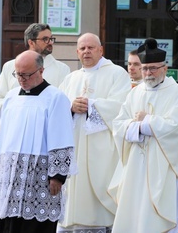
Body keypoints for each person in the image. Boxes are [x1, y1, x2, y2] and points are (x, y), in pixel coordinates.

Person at [111, 38, 178, 232]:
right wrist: (137, 127)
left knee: (155, 217)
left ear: (165, 68)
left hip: (164, 165)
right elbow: (118, 125)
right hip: (135, 166)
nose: (148, 73)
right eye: (145, 68)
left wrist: (147, 120)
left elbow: (177, 128)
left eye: (153, 68)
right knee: (133, 213)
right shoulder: (135, 93)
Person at [0, 50, 76, 233]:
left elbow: (61, 135)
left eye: (26, 74)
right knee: (9, 223)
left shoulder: (55, 97)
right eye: (18, 74)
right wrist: (0, 168)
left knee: (35, 225)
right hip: (11, 174)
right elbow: (4, 134)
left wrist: (58, 176)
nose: (21, 79)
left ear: (41, 71)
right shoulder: (11, 97)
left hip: (41, 176)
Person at [57, 33, 131, 233]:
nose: (86, 51)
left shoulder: (117, 74)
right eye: (82, 48)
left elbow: (122, 107)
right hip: (74, 143)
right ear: (77, 52)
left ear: (101, 50)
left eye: (91, 47)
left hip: (101, 148)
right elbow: (57, 108)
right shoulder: (71, 78)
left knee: (99, 187)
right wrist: (71, 108)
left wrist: (92, 105)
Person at [0, 23, 70, 142]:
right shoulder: (10, 66)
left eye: (51, 38)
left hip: (44, 135)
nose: (50, 42)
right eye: (45, 39)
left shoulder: (62, 69)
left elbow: (65, 102)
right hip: (16, 133)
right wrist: (18, 109)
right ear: (31, 42)